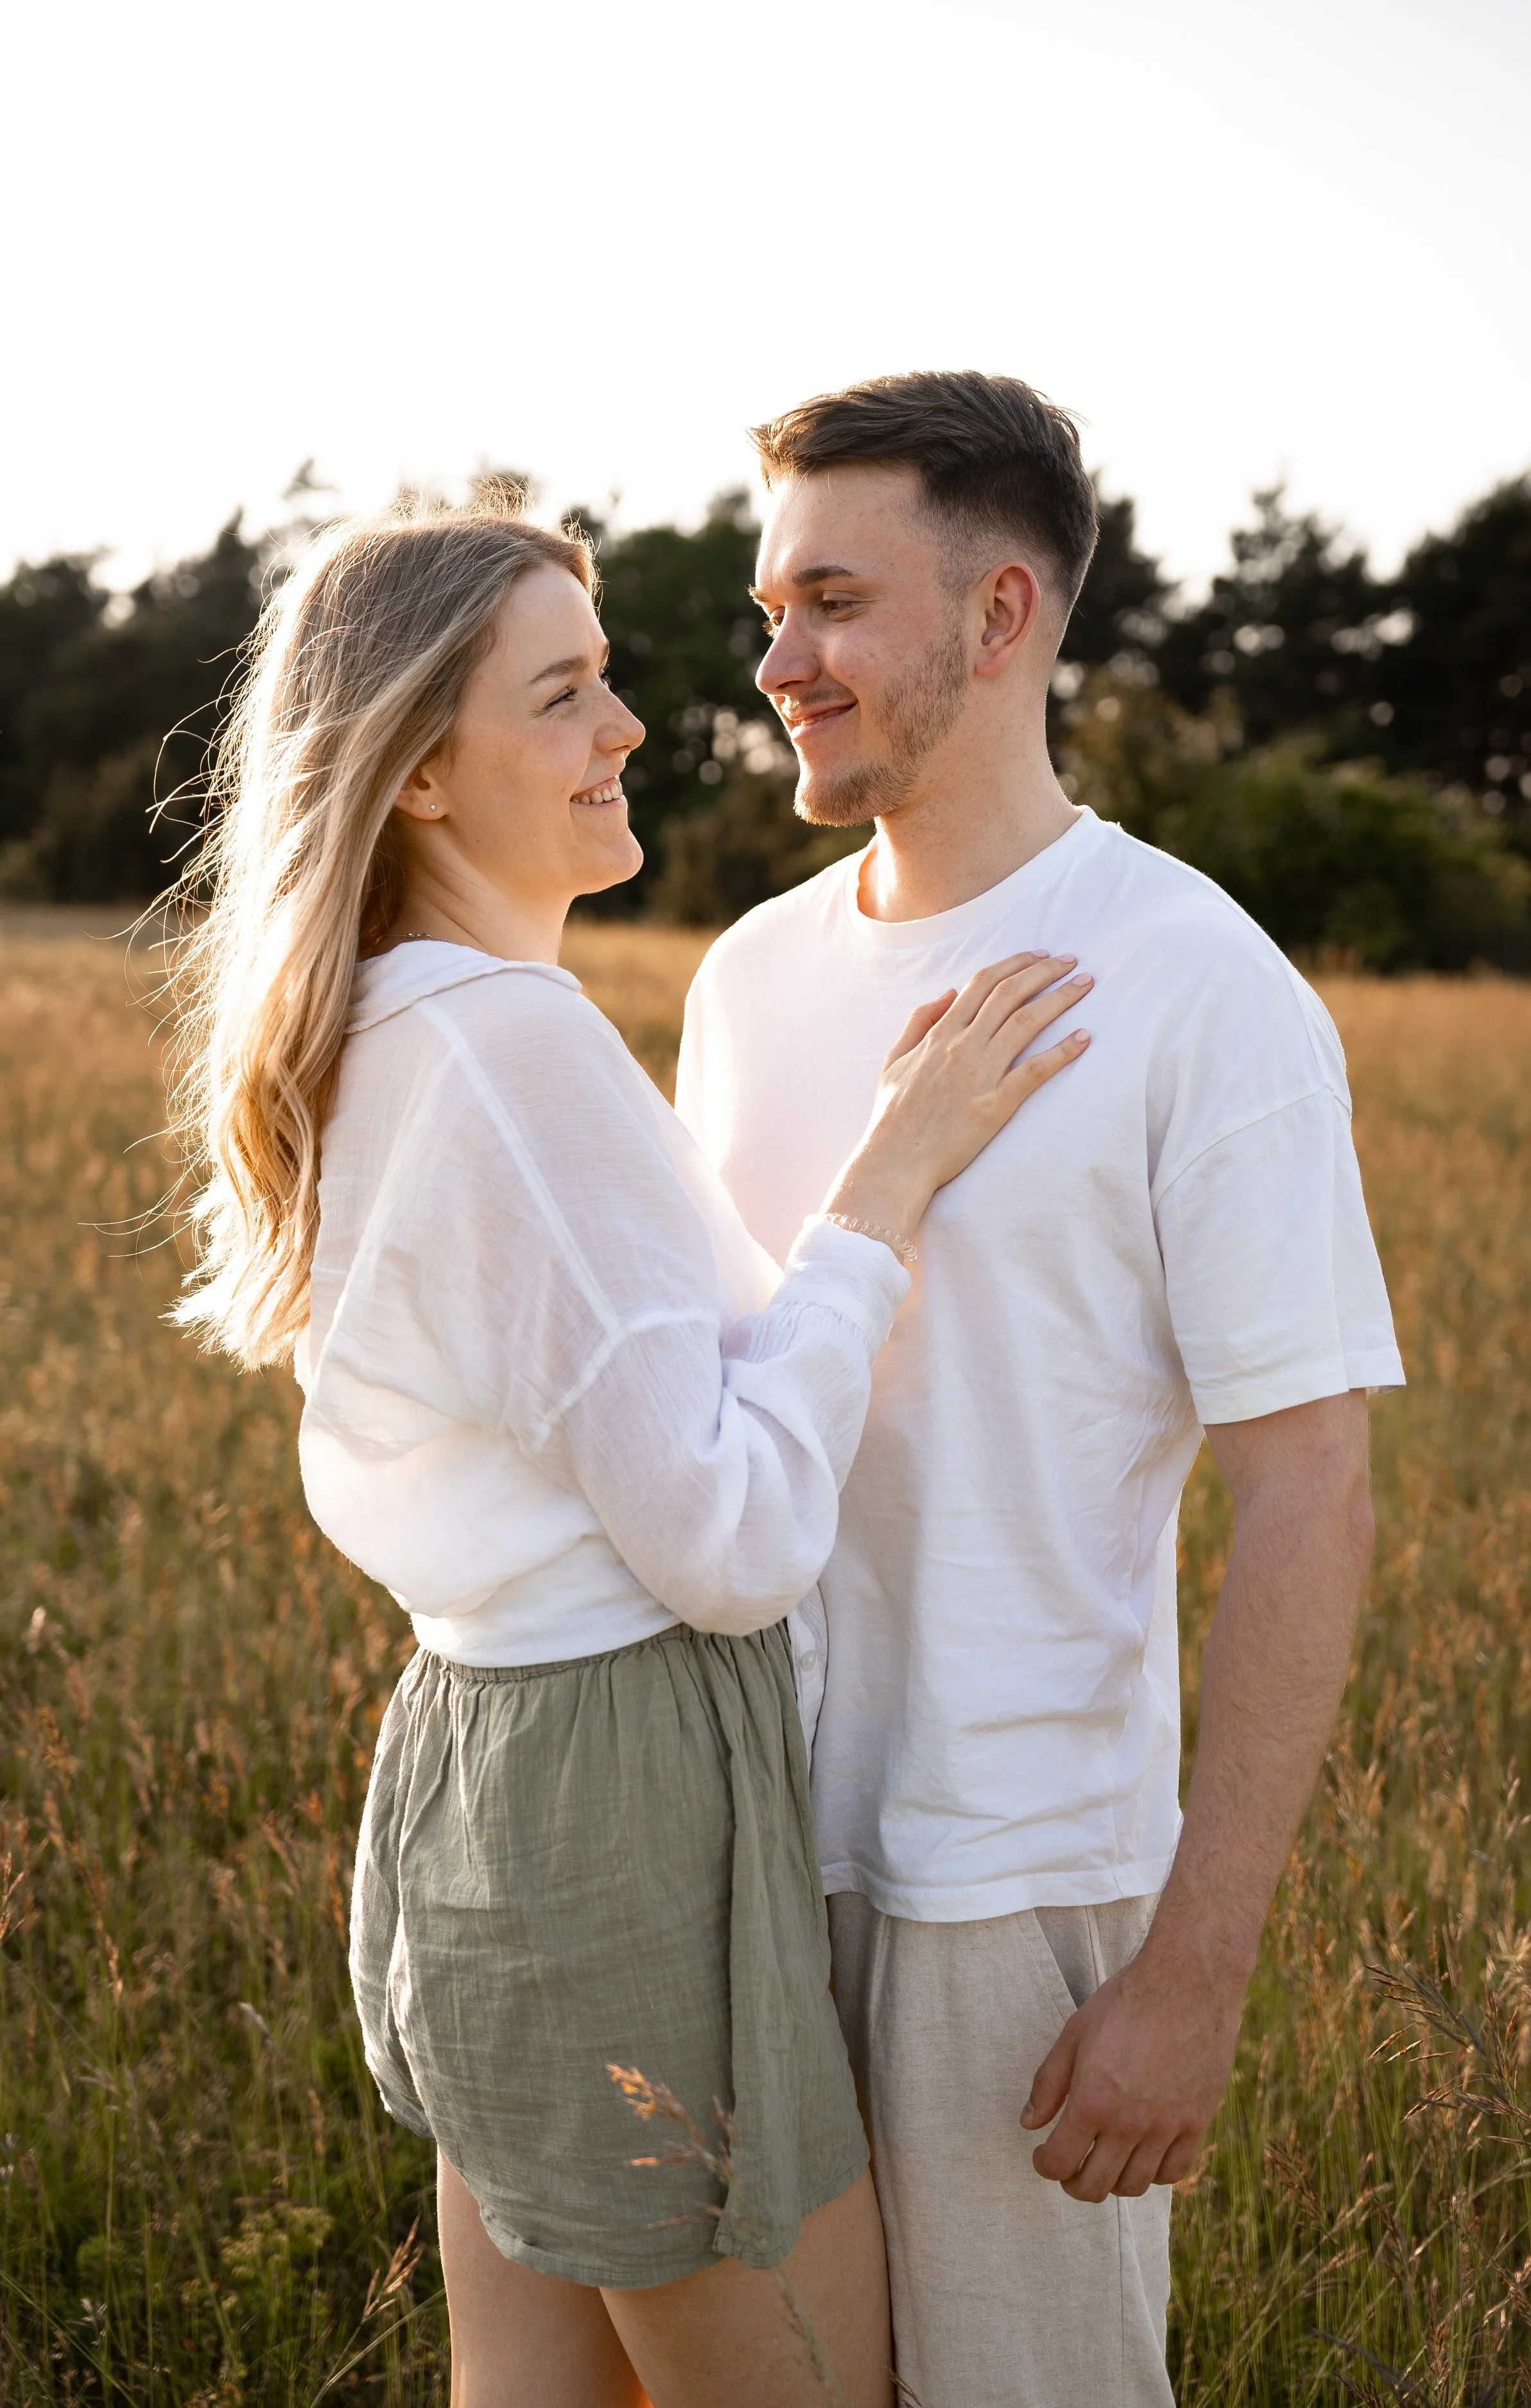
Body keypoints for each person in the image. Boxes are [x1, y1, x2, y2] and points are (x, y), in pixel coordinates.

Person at [160, 496, 1098, 2408]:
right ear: (421, 769)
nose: (629, 730)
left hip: (490, 1762)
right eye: (567, 694)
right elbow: (728, 1536)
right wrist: (884, 1188)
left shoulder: (394, 1028)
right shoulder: (505, 1044)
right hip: (623, 1788)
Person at [676, 371, 1406, 2408]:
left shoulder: (1194, 979)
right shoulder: (741, 980)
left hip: (1016, 1883)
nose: (777, 662)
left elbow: (1309, 1490)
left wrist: (1193, 1971)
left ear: (1001, 617)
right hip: (726, 1848)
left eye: (830, 600)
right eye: (767, 607)